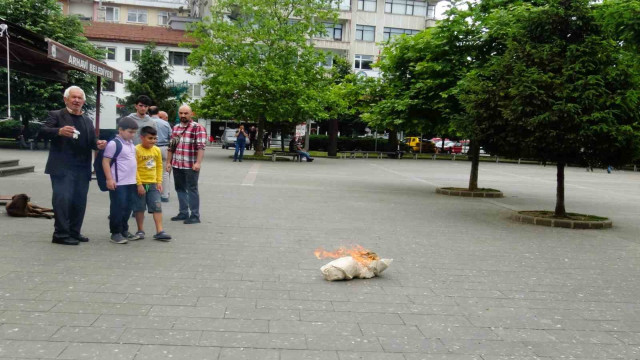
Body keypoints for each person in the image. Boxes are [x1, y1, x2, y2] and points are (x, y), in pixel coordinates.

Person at [40, 86, 107, 245]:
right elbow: (41, 131)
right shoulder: (56, 115)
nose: (76, 100)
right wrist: (59, 131)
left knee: (79, 201)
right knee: (62, 201)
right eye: (73, 97)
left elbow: (91, 142)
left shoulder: (87, 120)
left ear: (83, 101)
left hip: (82, 168)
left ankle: (74, 232)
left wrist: (98, 144)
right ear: (66, 99)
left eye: (79, 98)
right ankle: (61, 234)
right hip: (62, 167)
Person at [166, 105, 207, 224]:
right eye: (181, 113)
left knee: (192, 189)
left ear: (191, 114)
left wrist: (198, 163)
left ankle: (195, 215)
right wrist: (168, 162)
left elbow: (201, 147)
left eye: (186, 113)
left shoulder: (198, 128)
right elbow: (171, 146)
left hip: (191, 165)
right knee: (180, 188)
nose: (183, 115)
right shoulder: (176, 128)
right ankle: (183, 212)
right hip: (177, 164)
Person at [103, 117, 139, 244]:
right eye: (130, 132)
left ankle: (124, 230)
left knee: (128, 207)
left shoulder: (130, 144)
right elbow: (106, 162)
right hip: (118, 182)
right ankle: (115, 232)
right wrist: (109, 179)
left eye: (134, 132)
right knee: (118, 207)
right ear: (121, 130)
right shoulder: (114, 144)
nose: (132, 134)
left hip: (131, 181)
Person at [132, 126, 172, 241]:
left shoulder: (156, 150)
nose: (153, 141)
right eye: (150, 138)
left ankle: (159, 231)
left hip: (153, 184)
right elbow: (133, 168)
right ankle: (140, 230)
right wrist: (139, 184)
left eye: (155, 138)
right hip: (141, 183)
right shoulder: (136, 149)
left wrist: (159, 181)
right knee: (139, 208)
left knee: (157, 207)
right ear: (142, 137)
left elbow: (159, 166)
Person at [149, 106, 172, 202]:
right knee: (165, 172)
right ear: (158, 113)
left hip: (151, 148)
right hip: (164, 148)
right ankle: (165, 195)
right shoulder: (165, 123)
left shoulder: (147, 122)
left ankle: (151, 193)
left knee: (149, 170)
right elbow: (171, 136)